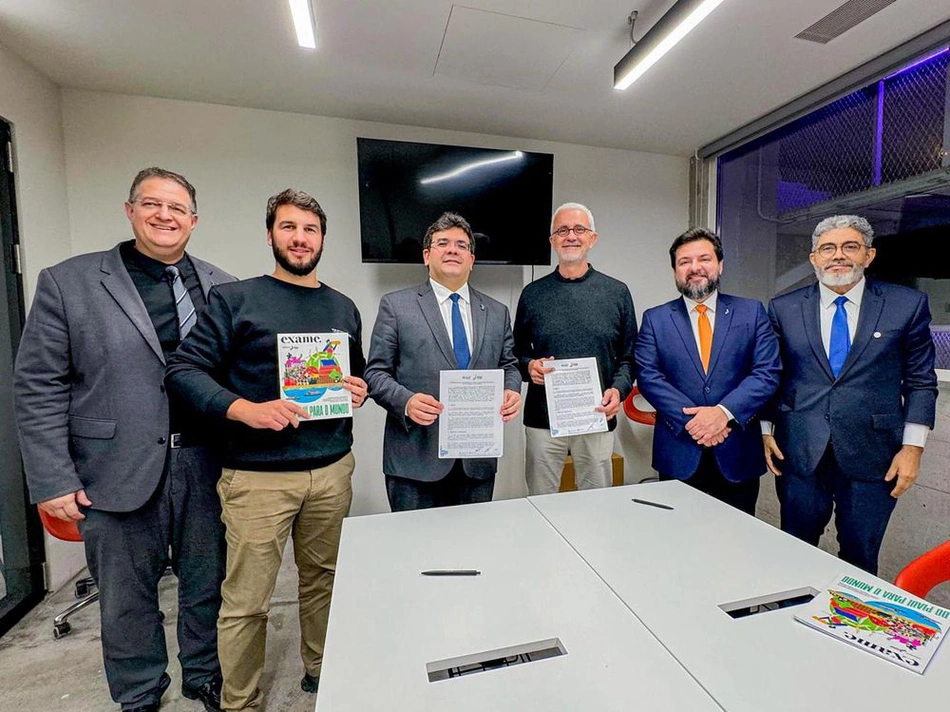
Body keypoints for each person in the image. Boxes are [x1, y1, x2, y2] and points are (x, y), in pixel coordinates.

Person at [13, 168, 234, 712]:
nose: (165, 216)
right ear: (130, 210)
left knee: (207, 584)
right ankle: (139, 691)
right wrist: (52, 478)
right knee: (126, 598)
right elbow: (38, 384)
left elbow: (242, 372)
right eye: (152, 204)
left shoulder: (223, 285)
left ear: (194, 220)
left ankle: (204, 674)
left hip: (207, 462)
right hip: (111, 467)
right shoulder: (70, 281)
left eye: (177, 208)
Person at [165, 189, 368, 709]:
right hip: (257, 478)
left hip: (330, 471)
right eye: (289, 227)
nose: (300, 238)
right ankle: (241, 700)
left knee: (323, 580)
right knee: (247, 601)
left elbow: (355, 376)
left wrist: (359, 390)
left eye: (310, 229)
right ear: (271, 234)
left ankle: (321, 669)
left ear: (322, 238)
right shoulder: (236, 299)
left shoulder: (342, 306)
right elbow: (183, 371)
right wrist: (244, 409)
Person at [763, 215, 937, 575]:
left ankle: (851, 626)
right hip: (800, 452)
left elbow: (921, 380)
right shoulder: (783, 308)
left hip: (874, 456)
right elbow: (772, 374)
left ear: (868, 255)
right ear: (814, 258)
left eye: (850, 247)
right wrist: (765, 429)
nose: (838, 256)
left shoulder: (906, 305)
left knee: (860, 557)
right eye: (828, 248)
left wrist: (912, 448)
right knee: (793, 551)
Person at [364, 211, 521, 511]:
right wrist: (407, 402)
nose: (453, 250)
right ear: (426, 255)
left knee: (471, 551)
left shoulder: (498, 312)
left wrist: (512, 390)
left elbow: (509, 364)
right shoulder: (396, 307)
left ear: (472, 261)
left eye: (462, 245)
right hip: (414, 463)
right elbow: (375, 373)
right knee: (416, 554)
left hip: (477, 463)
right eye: (443, 243)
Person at [635, 228, 780, 514]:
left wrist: (722, 413)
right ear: (675, 271)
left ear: (720, 265)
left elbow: (766, 372)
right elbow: (649, 377)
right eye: (684, 262)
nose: (694, 268)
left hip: (737, 451)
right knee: (679, 543)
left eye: (704, 259)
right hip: (679, 451)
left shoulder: (751, 313)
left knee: (737, 544)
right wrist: (696, 422)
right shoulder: (655, 319)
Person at [513, 202, 637, 495]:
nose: (571, 236)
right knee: (541, 503)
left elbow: (631, 357)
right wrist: (529, 366)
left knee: (597, 501)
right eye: (563, 230)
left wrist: (618, 391)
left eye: (579, 229)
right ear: (552, 240)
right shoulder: (532, 294)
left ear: (592, 238)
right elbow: (514, 353)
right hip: (543, 422)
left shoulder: (617, 292)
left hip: (596, 417)